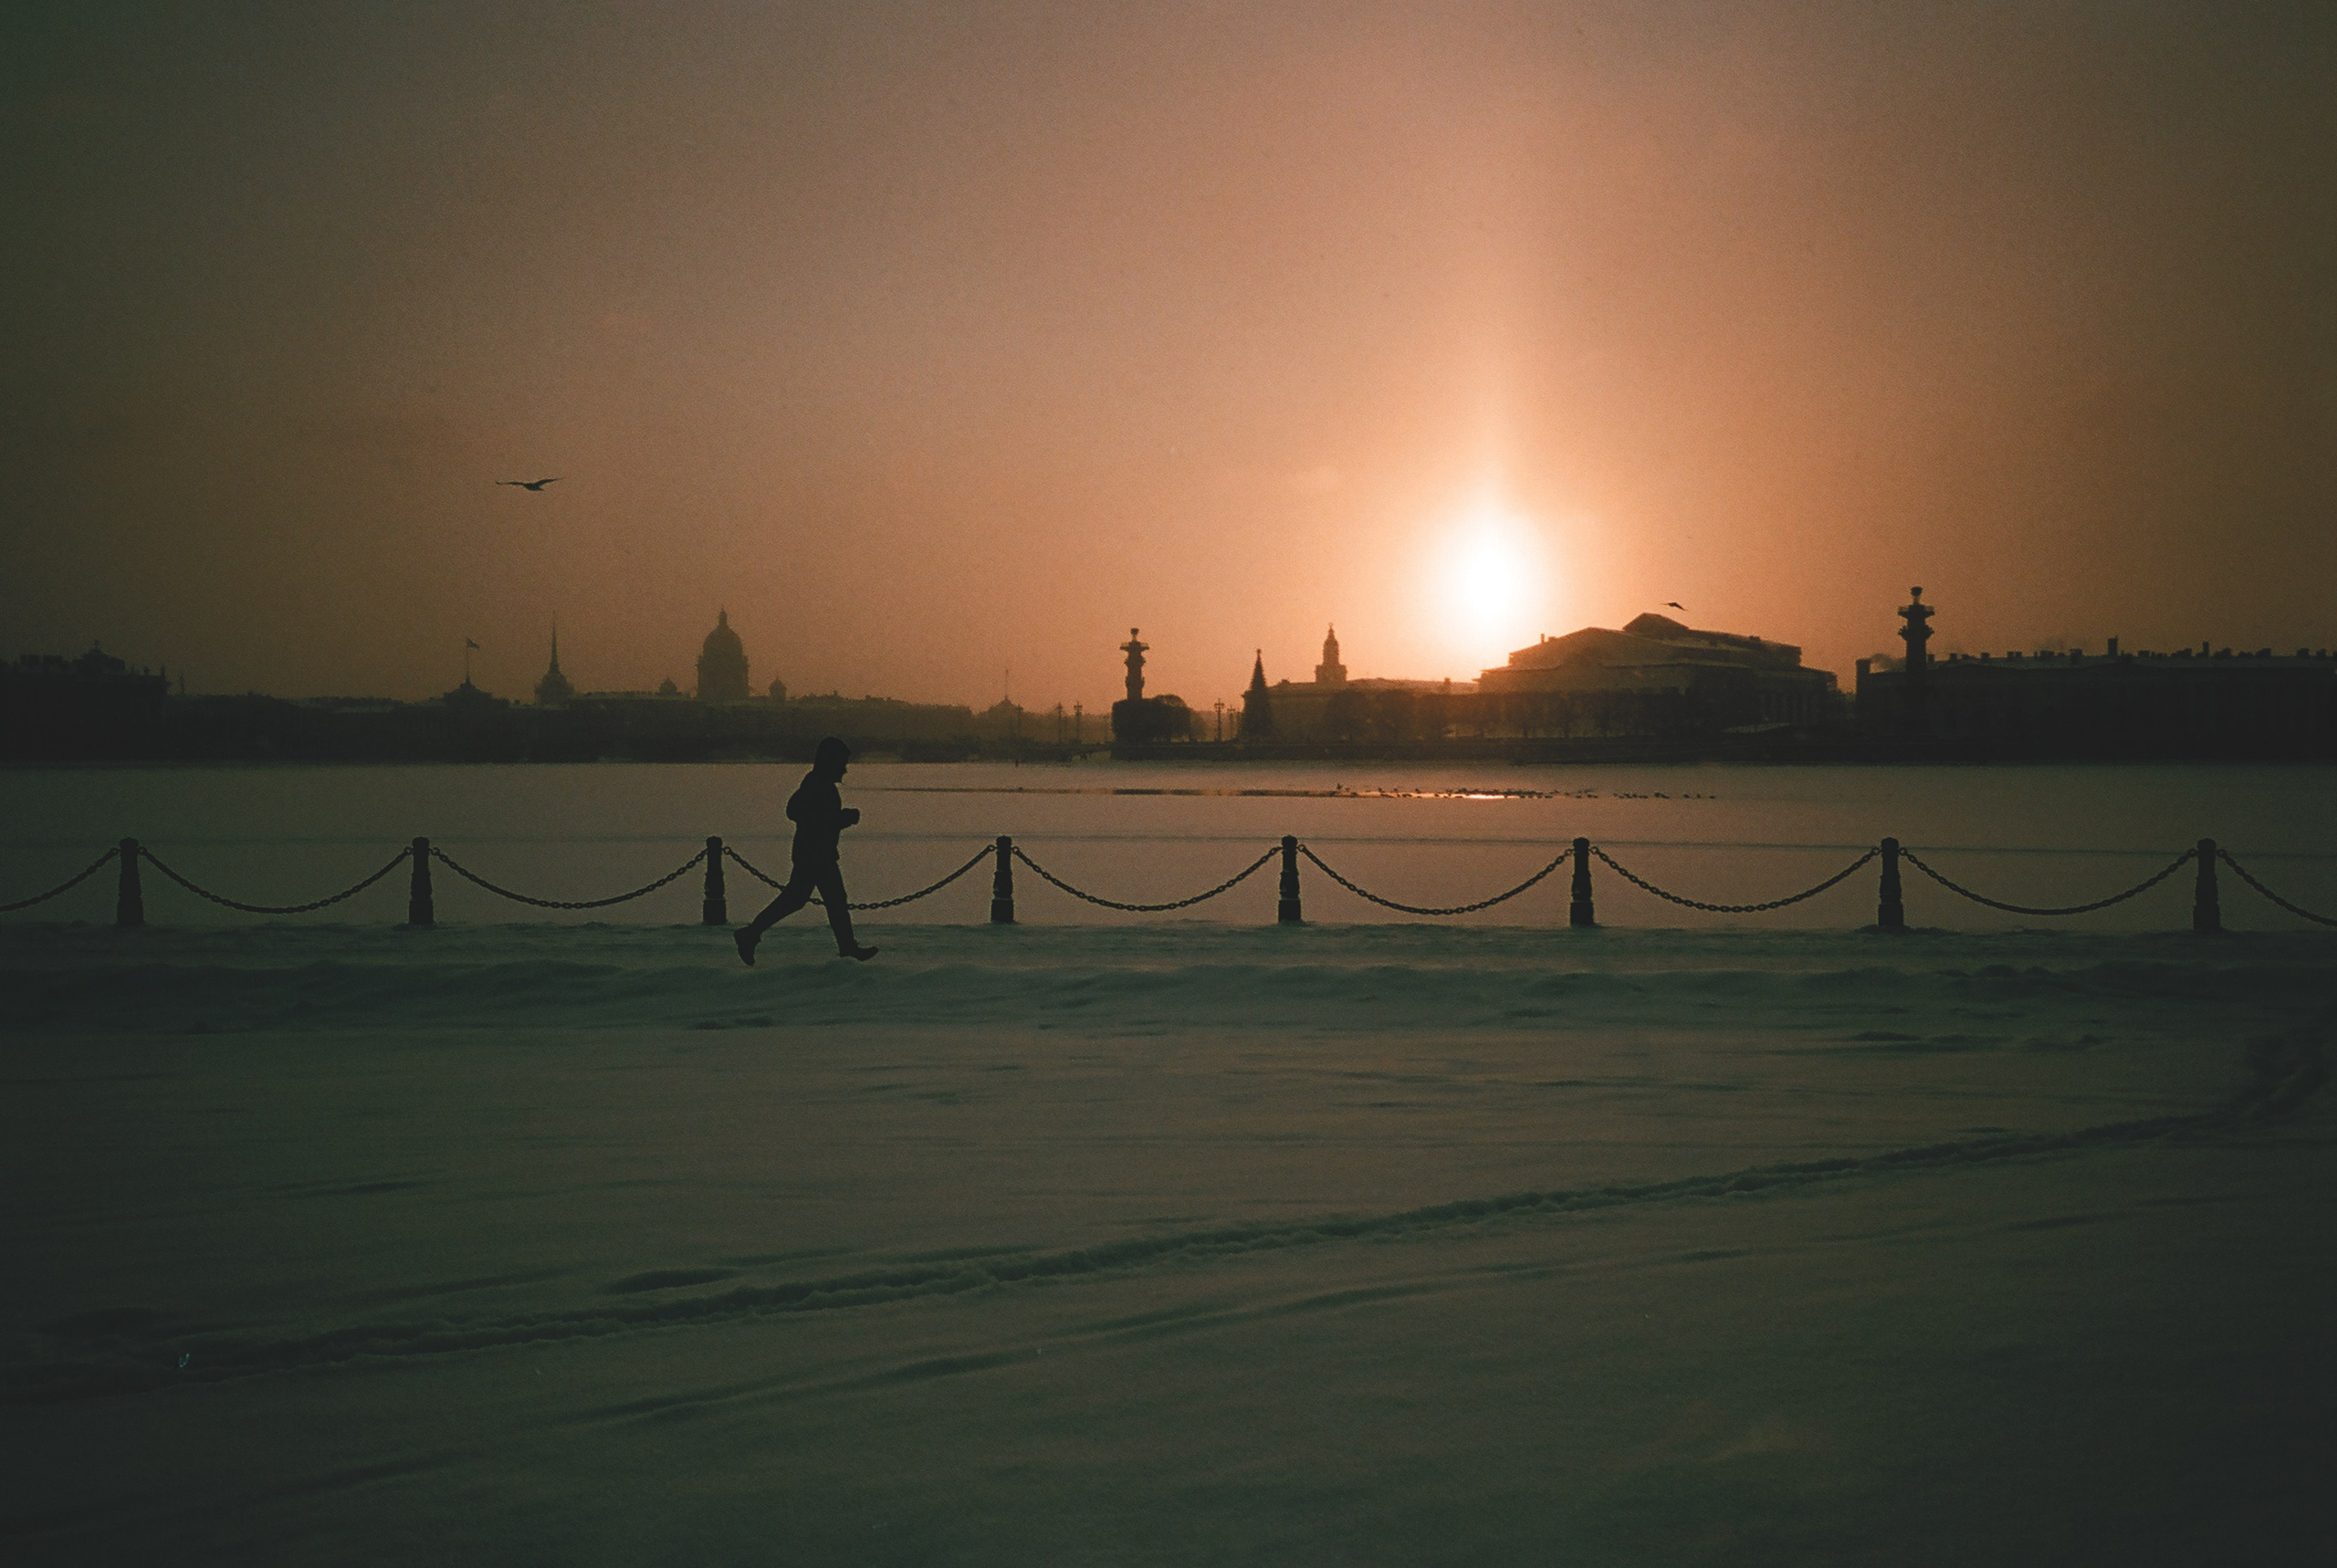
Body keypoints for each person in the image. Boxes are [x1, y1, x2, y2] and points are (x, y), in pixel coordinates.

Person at [734, 737, 879, 966]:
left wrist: (838, 819)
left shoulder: (819, 784)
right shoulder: (816, 785)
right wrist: (845, 818)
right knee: (822, 899)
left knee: (808, 899)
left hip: (816, 854)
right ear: (831, 762)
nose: (844, 769)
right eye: (842, 763)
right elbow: (807, 816)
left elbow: (813, 817)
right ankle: (847, 947)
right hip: (815, 856)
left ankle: (752, 934)